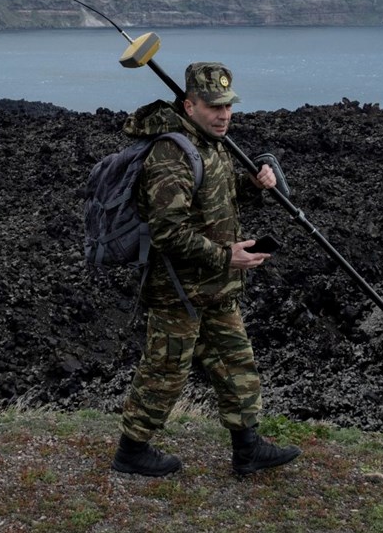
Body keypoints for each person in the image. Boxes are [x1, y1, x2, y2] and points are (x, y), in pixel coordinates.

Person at [110, 61, 302, 477]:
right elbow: (167, 232)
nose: (224, 114)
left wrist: (252, 188)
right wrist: (225, 257)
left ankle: (247, 449)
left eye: (228, 105)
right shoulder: (171, 154)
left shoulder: (212, 145)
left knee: (236, 363)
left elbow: (218, 204)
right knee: (165, 371)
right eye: (214, 106)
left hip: (216, 288)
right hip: (179, 291)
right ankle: (131, 451)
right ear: (189, 104)